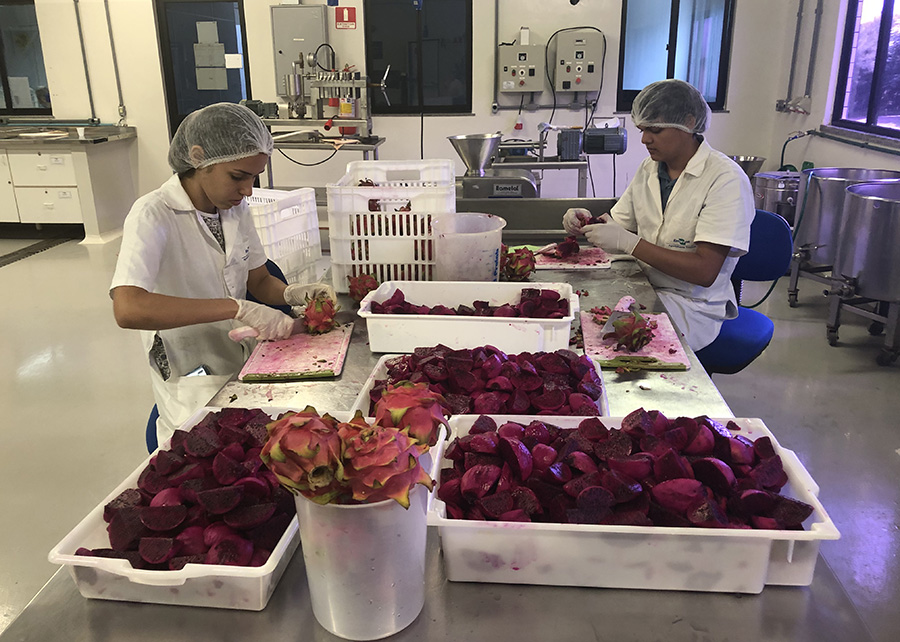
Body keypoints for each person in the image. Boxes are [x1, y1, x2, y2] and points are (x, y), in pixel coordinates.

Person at [110, 102, 335, 447]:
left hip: (241, 359)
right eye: (238, 176)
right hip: (190, 368)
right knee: (208, 447)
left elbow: (259, 280)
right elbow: (128, 309)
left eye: (254, 177)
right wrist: (237, 308)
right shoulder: (153, 213)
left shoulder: (234, 209)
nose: (248, 190)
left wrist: (292, 293)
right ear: (199, 158)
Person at [563, 79, 754, 352]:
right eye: (642, 130)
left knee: (606, 347)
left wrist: (630, 243)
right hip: (644, 287)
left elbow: (705, 271)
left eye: (655, 130)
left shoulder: (725, 179)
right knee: (576, 322)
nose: (644, 139)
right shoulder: (649, 169)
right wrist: (585, 222)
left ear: (688, 123)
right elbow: (618, 225)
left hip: (691, 304)